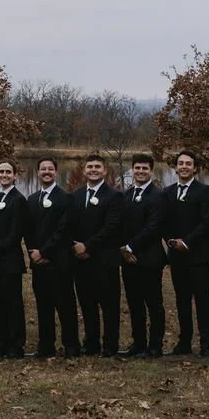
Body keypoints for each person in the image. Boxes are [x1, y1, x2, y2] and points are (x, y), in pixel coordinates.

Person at [161, 150, 209, 357]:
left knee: (202, 301)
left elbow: (207, 222)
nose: (184, 166)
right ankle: (184, 342)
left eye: (188, 163)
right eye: (180, 163)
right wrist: (171, 241)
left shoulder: (204, 192)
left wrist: (188, 242)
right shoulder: (167, 192)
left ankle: (206, 345)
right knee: (182, 301)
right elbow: (163, 222)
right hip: (177, 256)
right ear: (175, 167)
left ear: (195, 168)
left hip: (198, 255)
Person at [24, 157, 79, 358]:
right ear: (38, 172)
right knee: (43, 305)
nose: (46, 172)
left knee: (65, 305)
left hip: (60, 262)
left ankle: (71, 345)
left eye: (50, 169)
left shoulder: (66, 198)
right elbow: (27, 230)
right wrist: (33, 252)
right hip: (38, 263)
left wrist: (44, 252)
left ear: (56, 172)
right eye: (42, 169)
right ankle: (46, 345)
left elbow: (63, 230)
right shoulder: (32, 199)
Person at [70, 153, 123, 357]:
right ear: (84, 170)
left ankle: (110, 345)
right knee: (87, 303)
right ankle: (91, 343)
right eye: (90, 166)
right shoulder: (75, 196)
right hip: (81, 261)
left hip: (104, 260)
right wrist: (76, 246)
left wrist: (88, 247)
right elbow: (70, 225)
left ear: (104, 170)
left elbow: (111, 227)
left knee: (109, 306)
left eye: (97, 167)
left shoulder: (114, 196)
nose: (93, 170)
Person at [119, 153, 166, 358]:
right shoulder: (126, 195)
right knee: (134, 303)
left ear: (151, 171)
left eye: (144, 168)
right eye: (137, 168)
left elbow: (153, 227)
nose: (140, 171)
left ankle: (155, 346)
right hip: (128, 260)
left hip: (150, 258)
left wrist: (130, 247)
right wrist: (124, 249)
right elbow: (121, 225)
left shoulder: (158, 195)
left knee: (153, 303)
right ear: (132, 169)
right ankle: (138, 343)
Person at [0, 160, 27, 359]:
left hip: (11, 262)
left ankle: (16, 345)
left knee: (13, 304)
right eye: (1, 171)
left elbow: (16, 233)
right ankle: (3, 341)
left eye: (9, 172)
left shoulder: (18, 200)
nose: (4, 175)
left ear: (15, 176)